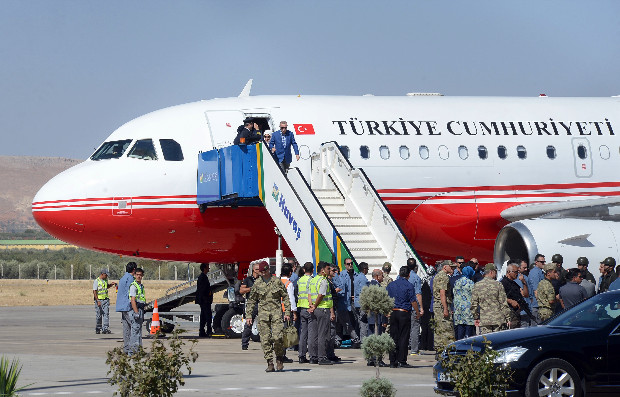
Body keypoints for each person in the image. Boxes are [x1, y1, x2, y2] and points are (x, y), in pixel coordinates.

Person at [245, 261, 291, 372]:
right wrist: (249, 315)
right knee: (265, 340)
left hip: (276, 314)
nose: (263, 273)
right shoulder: (257, 283)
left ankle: (279, 358)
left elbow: (285, 297)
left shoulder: (276, 281)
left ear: (268, 269)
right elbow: (251, 300)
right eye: (261, 271)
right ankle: (270, 362)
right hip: (263, 315)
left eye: (265, 270)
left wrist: (288, 312)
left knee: (277, 337)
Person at [386, 266, 417, 368]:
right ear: (408, 275)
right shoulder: (409, 285)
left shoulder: (391, 285)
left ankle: (392, 360)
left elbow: (386, 297)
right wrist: (418, 311)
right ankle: (402, 360)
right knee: (403, 336)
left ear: (399, 273)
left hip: (393, 312)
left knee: (393, 336)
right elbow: (413, 301)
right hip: (404, 312)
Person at [308, 262, 335, 365]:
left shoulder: (313, 280)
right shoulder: (324, 281)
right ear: (323, 270)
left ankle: (313, 357)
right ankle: (322, 357)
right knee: (322, 334)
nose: (329, 270)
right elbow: (321, 295)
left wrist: (311, 306)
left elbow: (309, 294)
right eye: (328, 269)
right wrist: (315, 305)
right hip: (322, 309)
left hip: (315, 310)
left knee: (314, 334)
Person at [471, 264, 511, 334]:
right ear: (491, 272)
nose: (495, 275)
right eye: (495, 272)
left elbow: (474, 304)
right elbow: (503, 303)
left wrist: (475, 317)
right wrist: (508, 318)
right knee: (498, 342)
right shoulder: (498, 285)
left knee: (487, 342)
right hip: (498, 320)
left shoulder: (477, 285)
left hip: (485, 321)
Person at [340, 259, 369, 347]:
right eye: (348, 264)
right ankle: (358, 340)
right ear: (345, 265)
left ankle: (357, 340)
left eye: (351, 263)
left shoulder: (356, 275)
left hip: (354, 301)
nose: (350, 265)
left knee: (357, 321)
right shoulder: (342, 275)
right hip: (348, 301)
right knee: (351, 321)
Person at [433, 260, 455, 351]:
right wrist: (446, 308)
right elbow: (442, 293)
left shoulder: (437, 276)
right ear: (445, 267)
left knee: (439, 328)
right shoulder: (444, 277)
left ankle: (439, 349)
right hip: (442, 305)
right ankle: (447, 350)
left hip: (437, 305)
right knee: (447, 328)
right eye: (451, 266)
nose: (452, 268)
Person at [116, 261, 137, 354]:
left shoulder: (123, 278)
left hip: (121, 306)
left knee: (126, 329)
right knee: (134, 327)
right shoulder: (130, 279)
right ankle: (132, 350)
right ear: (134, 270)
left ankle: (126, 349)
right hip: (128, 306)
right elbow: (131, 293)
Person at [296, 262, 314, 363]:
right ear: (312, 270)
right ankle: (312, 356)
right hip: (309, 307)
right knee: (311, 333)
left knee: (303, 333)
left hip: (301, 307)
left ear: (303, 270)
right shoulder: (311, 280)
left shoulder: (300, 280)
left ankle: (301, 355)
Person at [500, 262, 527, 329]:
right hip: (508, 315)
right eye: (515, 272)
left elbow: (525, 294)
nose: (517, 274)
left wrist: (524, 283)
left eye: (517, 272)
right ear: (509, 272)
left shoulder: (514, 284)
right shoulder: (503, 283)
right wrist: (510, 301)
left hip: (516, 314)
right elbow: (498, 297)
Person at [240, 263, 260, 350]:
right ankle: (244, 343)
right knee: (248, 323)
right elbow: (241, 290)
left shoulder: (262, 279)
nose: (261, 271)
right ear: (254, 270)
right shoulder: (248, 280)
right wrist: (251, 289)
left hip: (261, 303)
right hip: (252, 304)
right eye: (259, 269)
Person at [279, 263, 296, 364]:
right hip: (285, 311)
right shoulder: (288, 284)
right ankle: (282, 355)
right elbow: (291, 299)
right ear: (290, 272)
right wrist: (293, 312)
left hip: (276, 310)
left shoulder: (277, 282)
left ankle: (279, 354)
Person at [453, 266, 475, 339]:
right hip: (468, 310)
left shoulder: (457, 282)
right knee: (468, 331)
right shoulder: (470, 283)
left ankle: (459, 347)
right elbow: (474, 296)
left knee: (460, 329)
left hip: (458, 309)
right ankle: (468, 348)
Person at [406, 258, 423, 355]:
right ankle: (414, 349)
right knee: (415, 328)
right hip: (413, 307)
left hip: (403, 307)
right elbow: (418, 294)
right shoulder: (416, 278)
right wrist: (421, 308)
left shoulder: (402, 277)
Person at [93, 268, 116, 334]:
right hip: (99, 300)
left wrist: (111, 285)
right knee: (99, 315)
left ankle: (105, 328)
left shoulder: (105, 280)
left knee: (106, 314)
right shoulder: (96, 281)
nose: (107, 276)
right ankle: (98, 327)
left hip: (105, 300)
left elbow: (106, 287)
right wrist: (97, 300)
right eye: (106, 275)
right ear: (102, 274)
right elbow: (94, 291)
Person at [128, 268, 146, 354]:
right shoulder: (133, 286)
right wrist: (136, 312)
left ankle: (138, 350)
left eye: (140, 275)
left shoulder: (140, 286)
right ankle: (132, 351)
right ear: (135, 275)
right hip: (136, 310)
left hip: (140, 309)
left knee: (139, 331)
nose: (139, 276)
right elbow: (133, 300)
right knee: (135, 331)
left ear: (142, 276)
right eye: (137, 274)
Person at [527, 254, 546, 323]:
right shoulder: (534, 273)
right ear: (536, 262)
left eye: (544, 261)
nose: (544, 263)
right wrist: (543, 304)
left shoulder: (540, 272)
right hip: (537, 305)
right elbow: (536, 290)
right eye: (542, 262)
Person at [196, 263, 213, 337]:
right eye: (207, 267)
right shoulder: (202, 277)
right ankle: (208, 331)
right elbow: (202, 290)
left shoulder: (203, 277)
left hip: (204, 300)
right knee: (207, 316)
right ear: (204, 268)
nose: (209, 269)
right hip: (205, 301)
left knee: (203, 316)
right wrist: (207, 297)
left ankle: (202, 331)